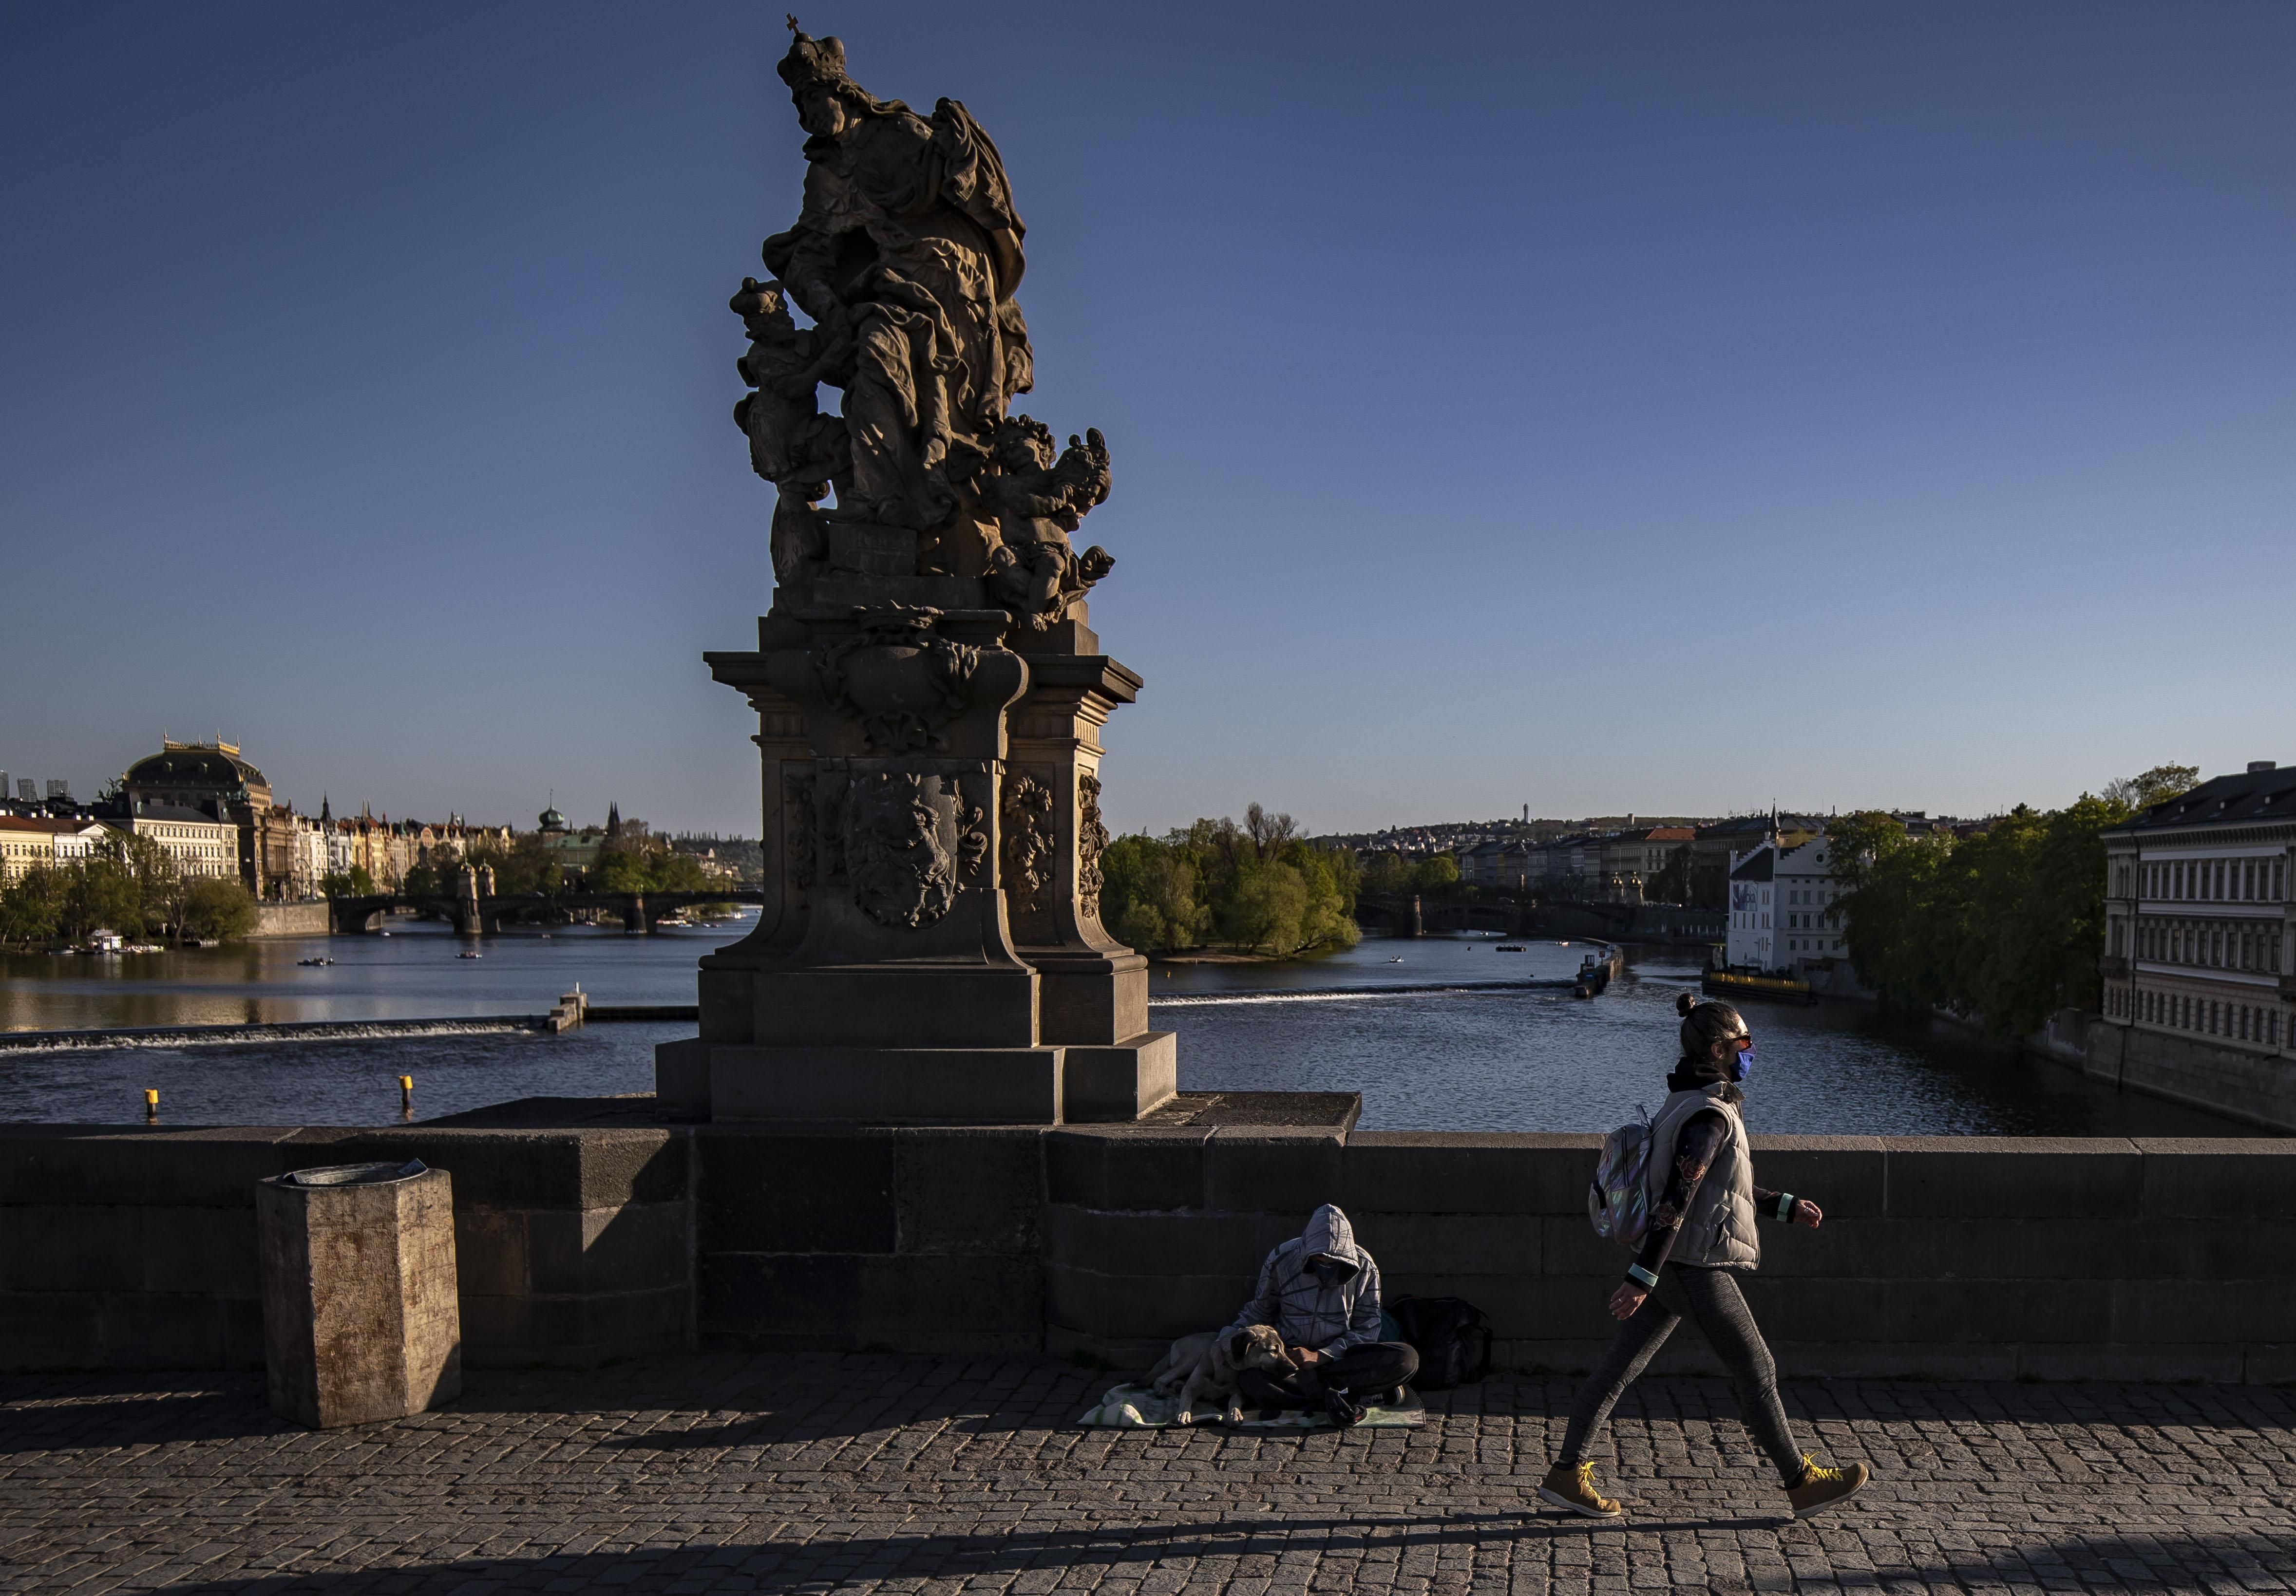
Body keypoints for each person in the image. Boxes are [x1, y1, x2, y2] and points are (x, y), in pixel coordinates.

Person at [1539, 994, 1871, 1521]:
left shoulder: (1688, 1104)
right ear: (1718, 1049)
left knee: (1620, 1366)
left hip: (1675, 1261)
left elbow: (1721, 1185)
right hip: (1690, 1265)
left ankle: (1564, 1474)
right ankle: (1801, 1481)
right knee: (1756, 1366)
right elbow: (1679, 1197)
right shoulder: (1710, 1115)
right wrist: (1641, 1277)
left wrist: (1783, 1205)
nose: (1751, 1050)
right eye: (1744, 1043)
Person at [1227, 1203, 1419, 1427]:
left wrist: (1322, 1356)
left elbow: (1368, 1328)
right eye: (1318, 1262)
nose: (1325, 1268)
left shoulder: (1366, 1267)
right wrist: (1227, 1341)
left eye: (1333, 1264)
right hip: (1292, 1361)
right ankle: (1350, 1398)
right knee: (1250, 1380)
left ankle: (1327, 1397)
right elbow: (1260, 1311)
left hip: (1341, 1359)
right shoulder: (1281, 1260)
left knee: (1406, 1359)